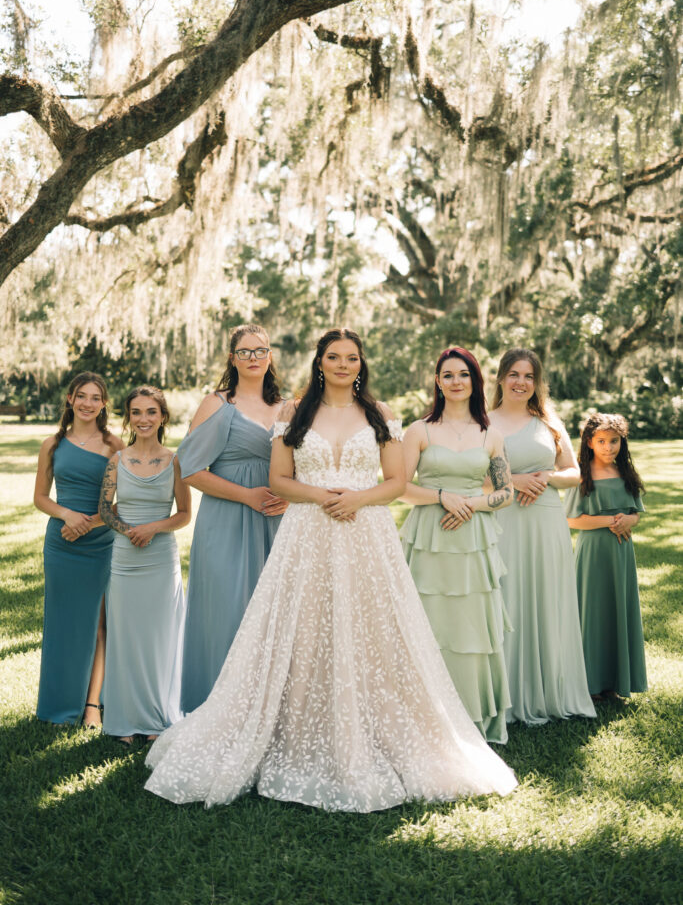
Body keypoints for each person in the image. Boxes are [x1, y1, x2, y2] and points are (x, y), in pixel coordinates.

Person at [145, 328, 517, 811]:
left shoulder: (380, 415)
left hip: (366, 534)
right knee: (303, 629)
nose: (343, 365)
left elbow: (397, 480)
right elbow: (280, 478)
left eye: (352, 358)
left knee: (374, 631)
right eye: (334, 357)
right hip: (307, 533)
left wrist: (358, 499)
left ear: (362, 364)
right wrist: (322, 496)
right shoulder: (292, 413)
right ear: (319, 362)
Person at [400, 347, 514, 744]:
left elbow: (506, 493)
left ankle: (469, 715)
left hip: (473, 539)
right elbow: (399, 487)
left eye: (463, 374)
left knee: (469, 629)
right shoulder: (420, 430)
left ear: (475, 380)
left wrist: (471, 504)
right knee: (427, 621)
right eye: (447, 375)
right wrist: (442, 496)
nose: (455, 381)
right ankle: (422, 718)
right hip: (429, 536)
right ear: (436, 381)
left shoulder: (491, 435)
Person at [178, 324, 288, 714]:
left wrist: (289, 498)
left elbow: (303, 467)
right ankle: (217, 713)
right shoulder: (217, 404)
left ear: (271, 355)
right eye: (245, 351)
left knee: (274, 615)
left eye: (261, 350)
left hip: (277, 522)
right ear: (232, 358)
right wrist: (247, 496)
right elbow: (189, 469)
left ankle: (269, 713)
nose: (254, 357)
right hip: (226, 520)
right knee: (227, 613)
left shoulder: (287, 407)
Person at [489, 348, 595, 725]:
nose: (521, 382)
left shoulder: (547, 420)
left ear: (537, 382)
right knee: (508, 595)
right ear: (501, 378)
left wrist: (545, 477)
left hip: (546, 519)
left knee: (547, 595)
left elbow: (573, 472)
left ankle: (553, 689)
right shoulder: (483, 422)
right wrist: (514, 481)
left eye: (529, 376)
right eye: (514, 374)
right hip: (505, 519)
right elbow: (471, 477)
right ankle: (507, 694)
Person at [98, 386, 191, 742]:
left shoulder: (176, 461)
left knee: (159, 638)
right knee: (126, 636)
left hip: (160, 558)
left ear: (162, 417)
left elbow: (184, 514)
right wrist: (128, 530)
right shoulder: (117, 461)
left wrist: (153, 527)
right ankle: (125, 718)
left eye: (151, 412)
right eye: (136, 412)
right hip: (124, 559)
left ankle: (156, 717)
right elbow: (106, 509)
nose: (143, 419)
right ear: (129, 418)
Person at [33, 372, 124, 727]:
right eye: (81, 396)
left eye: (96, 397)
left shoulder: (114, 446)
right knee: (61, 622)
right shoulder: (52, 445)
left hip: (100, 543)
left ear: (103, 404)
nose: (88, 403)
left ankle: (91, 705)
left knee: (98, 622)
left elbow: (124, 503)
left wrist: (90, 522)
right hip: (61, 543)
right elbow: (40, 497)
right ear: (70, 399)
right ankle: (56, 705)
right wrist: (67, 514)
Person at [565, 412, 647, 700]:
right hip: (594, 553)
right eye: (601, 441)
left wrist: (629, 521)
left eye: (614, 441)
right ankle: (590, 682)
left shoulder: (625, 474)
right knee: (594, 611)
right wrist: (613, 521)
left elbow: (635, 513)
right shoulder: (582, 475)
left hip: (622, 553)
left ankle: (616, 681)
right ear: (589, 442)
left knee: (618, 610)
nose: (608, 447)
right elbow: (573, 520)